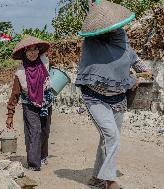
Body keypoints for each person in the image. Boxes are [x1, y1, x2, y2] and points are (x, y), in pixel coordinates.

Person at [76, 1, 152, 189]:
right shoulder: (91, 44)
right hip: (95, 97)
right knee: (112, 135)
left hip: (118, 99)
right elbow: (105, 69)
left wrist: (145, 71)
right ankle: (110, 181)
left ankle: (96, 177)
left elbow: (130, 56)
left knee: (107, 137)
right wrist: (130, 81)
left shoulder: (121, 37)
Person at [6, 35, 54, 171]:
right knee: (34, 131)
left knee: (45, 131)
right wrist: (10, 114)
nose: (32, 52)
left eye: (35, 49)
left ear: (39, 51)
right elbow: (15, 94)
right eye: (29, 50)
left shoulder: (45, 62)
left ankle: (43, 156)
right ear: (24, 53)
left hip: (46, 103)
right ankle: (34, 163)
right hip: (29, 105)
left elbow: (56, 74)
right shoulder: (20, 73)